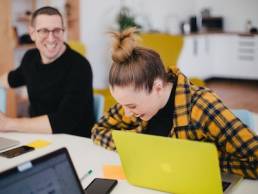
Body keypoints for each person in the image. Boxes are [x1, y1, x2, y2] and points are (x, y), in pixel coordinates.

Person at [91, 27, 258, 179]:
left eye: (132, 106)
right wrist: (137, 147)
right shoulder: (133, 102)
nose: (126, 112)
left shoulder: (202, 106)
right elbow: (98, 131)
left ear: (157, 87)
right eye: (123, 105)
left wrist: (206, 162)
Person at [0, 6, 94, 138]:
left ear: (63, 32)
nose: (51, 38)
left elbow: (64, 121)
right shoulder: (30, 58)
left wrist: (8, 124)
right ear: (32, 33)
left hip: (74, 143)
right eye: (44, 31)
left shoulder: (80, 66)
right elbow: (10, 79)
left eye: (56, 30)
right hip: (38, 138)